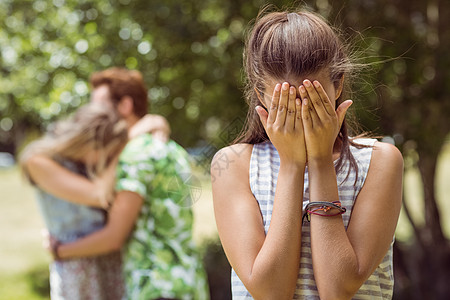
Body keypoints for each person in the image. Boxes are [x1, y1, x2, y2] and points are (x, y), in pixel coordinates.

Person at [211, 9, 403, 300]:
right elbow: (270, 292)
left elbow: (338, 289)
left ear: (337, 85)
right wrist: (291, 164)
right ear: (261, 95)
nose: (300, 113)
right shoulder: (234, 166)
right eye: (286, 103)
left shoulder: (380, 161)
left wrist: (320, 161)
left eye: (311, 101)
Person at [39, 67, 210, 300]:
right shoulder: (173, 148)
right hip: (189, 283)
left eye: (100, 106)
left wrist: (59, 251)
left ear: (125, 106)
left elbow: (114, 236)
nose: (95, 115)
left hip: (156, 287)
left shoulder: (133, 156)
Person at [20, 103, 129, 299]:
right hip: (77, 267)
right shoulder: (38, 160)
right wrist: (124, 148)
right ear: (89, 142)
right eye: (108, 153)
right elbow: (98, 196)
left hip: (108, 262)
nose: (107, 160)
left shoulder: (83, 164)